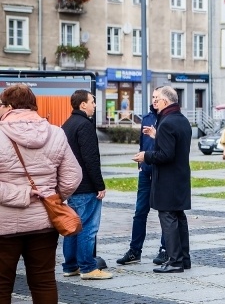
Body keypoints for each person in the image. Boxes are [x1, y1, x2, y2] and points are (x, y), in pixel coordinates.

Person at [0, 84, 82, 304]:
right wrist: (51, 195)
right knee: (44, 284)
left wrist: (19, 196)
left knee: (1, 290)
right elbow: (73, 175)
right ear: (33, 105)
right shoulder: (56, 133)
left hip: (4, 226)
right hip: (45, 223)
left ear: (7, 106)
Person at [133, 86, 192, 274]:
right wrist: (157, 136)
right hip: (180, 177)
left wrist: (146, 156)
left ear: (166, 102)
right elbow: (174, 146)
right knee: (179, 217)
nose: (154, 102)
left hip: (167, 180)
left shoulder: (166, 122)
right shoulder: (182, 120)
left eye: (156, 99)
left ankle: (175, 261)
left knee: (168, 217)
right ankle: (184, 259)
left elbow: (166, 154)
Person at [61, 90, 112, 280]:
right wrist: (100, 185)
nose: (95, 105)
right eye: (92, 101)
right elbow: (90, 159)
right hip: (86, 186)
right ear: (83, 105)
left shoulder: (68, 124)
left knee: (72, 227)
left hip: (72, 185)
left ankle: (70, 266)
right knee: (88, 228)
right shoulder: (85, 125)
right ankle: (88, 267)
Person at [116, 96, 166, 266]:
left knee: (164, 213)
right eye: (152, 97)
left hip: (162, 172)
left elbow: (169, 145)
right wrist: (140, 164)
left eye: (157, 97)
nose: (154, 100)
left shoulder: (168, 119)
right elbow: (142, 144)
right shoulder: (147, 118)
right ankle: (134, 251)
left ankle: (165, 250)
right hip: (145, 172)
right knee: (140, 212)